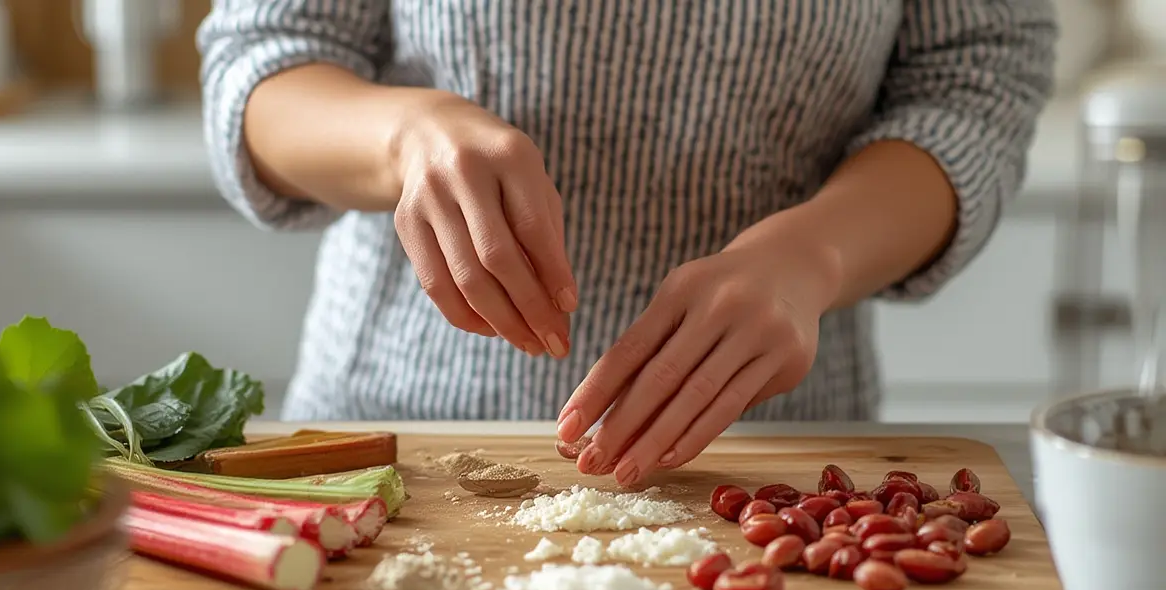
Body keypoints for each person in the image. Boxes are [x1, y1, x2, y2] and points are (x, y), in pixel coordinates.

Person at [198, 1, 1056, 487]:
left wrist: (813, 255)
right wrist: (406, 136)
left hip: (771, 456)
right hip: (391, 436)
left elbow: (975, 86)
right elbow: (266, 56)